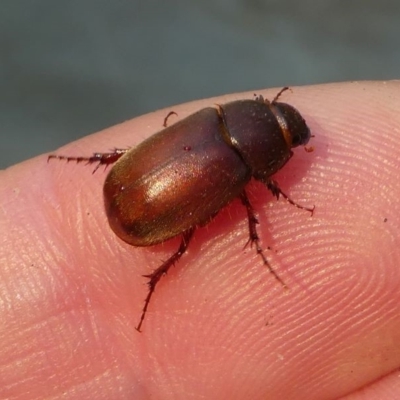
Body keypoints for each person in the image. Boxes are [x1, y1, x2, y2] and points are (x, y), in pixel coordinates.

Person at [1, 82, 399, 399]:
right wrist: (281, 206)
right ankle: (155, 280)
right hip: (143, 209)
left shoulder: (213, 120)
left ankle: (100, 181)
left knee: (198, 228)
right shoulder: (246, 167)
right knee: (187, 240)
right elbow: (261, 189)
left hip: (131, 190)